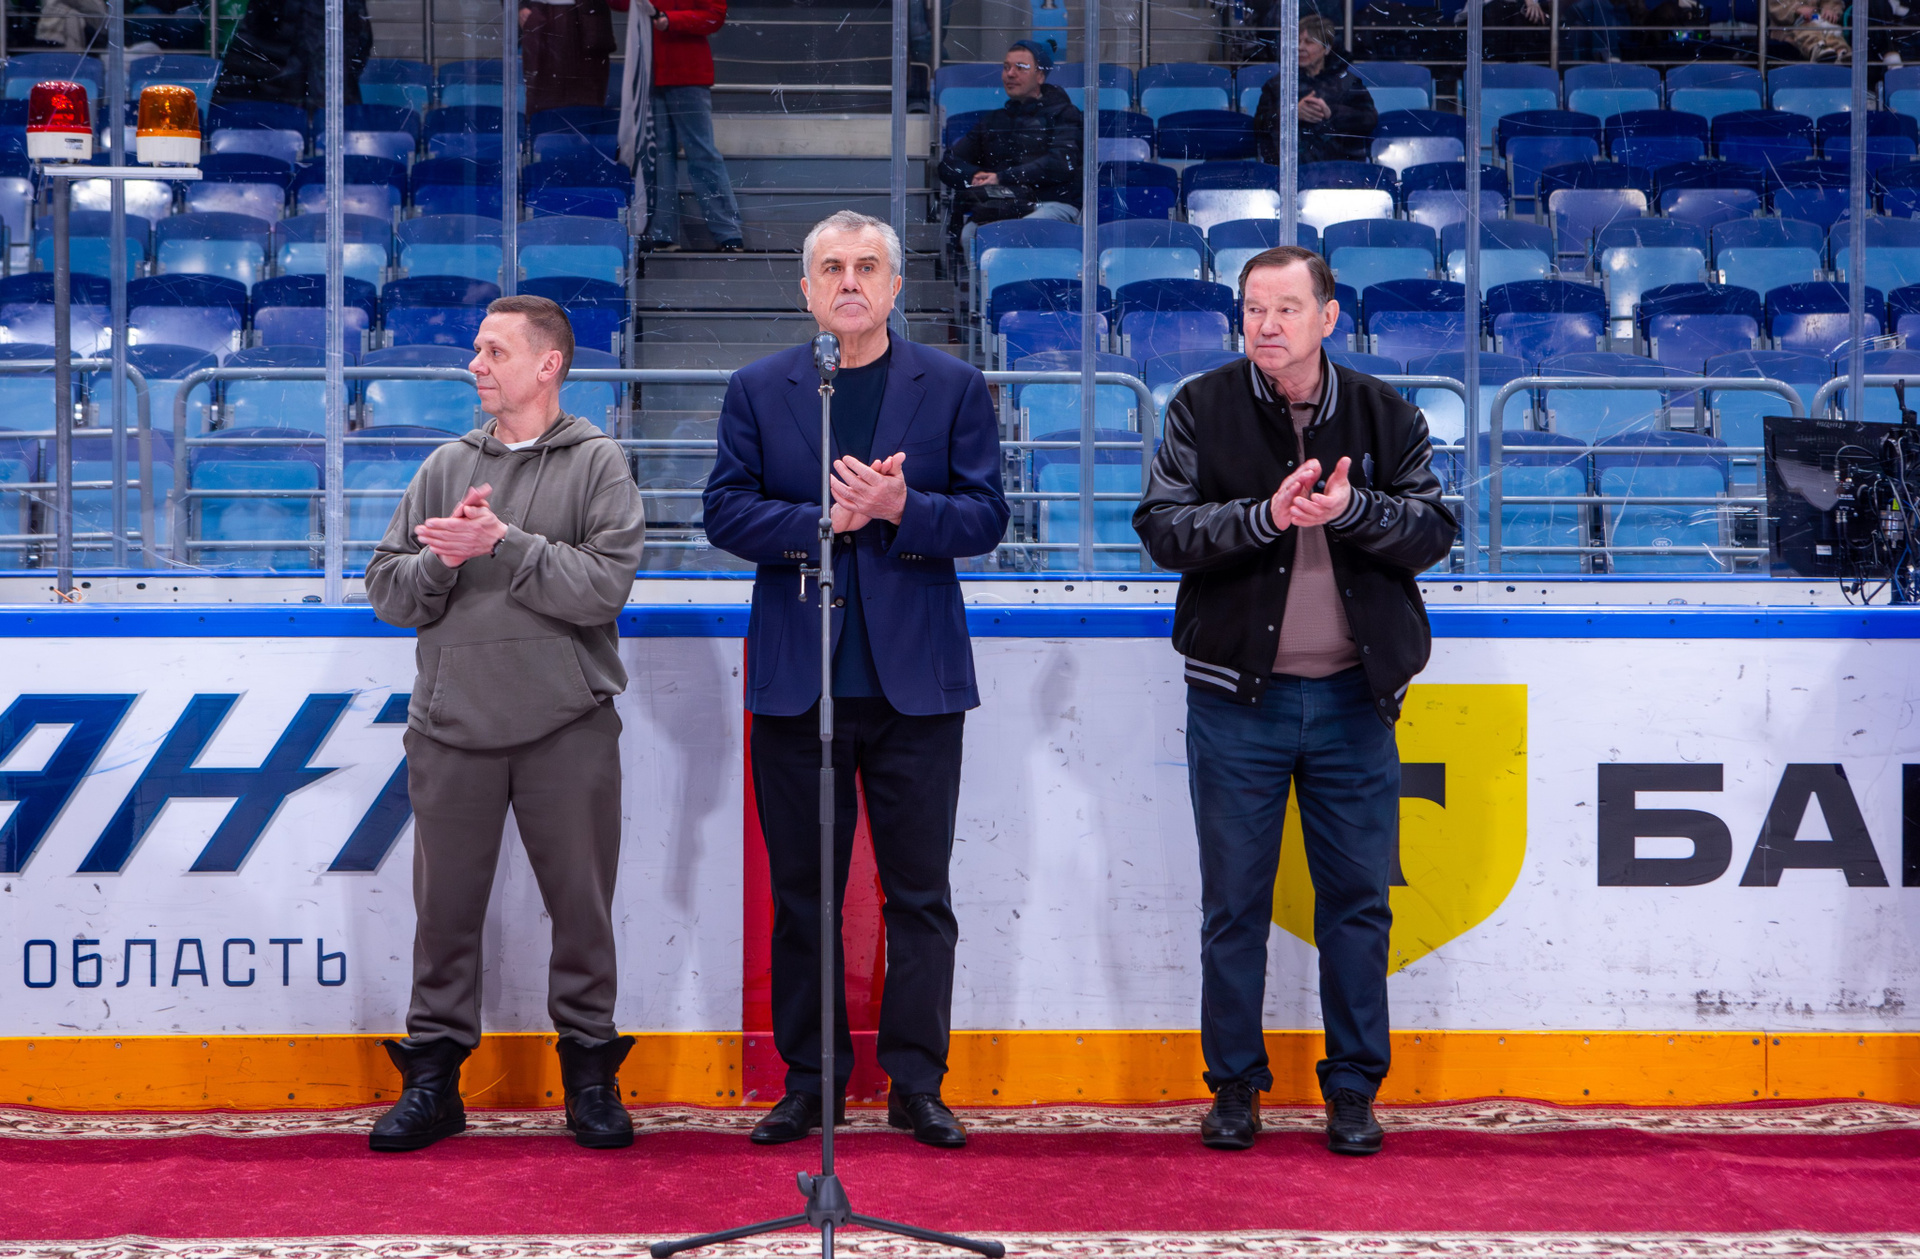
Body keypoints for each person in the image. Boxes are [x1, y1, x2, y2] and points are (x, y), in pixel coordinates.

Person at [1132, 246, 1456, 1156]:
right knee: (1233, 904)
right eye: (1252, 309)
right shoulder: (1200, 406)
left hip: (1357, 701)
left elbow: (1433, 529)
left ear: (1328, 316)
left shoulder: (1387, 412)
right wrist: (1265, 517)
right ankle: (1235, 1084)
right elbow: (1163, 528)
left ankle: (1352, 1088)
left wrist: (1353, 511)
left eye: (1285, 308)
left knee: (1358, 903)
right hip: (1237, 704)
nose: (1266, 325)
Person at [704, 210, 1009, 1150]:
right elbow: (724, 512)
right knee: (805, 898)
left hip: (918, 687)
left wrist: (902, 506)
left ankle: (918, 1083)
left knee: (919, 896)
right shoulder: (759, 388)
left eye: (867, 266)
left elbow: (987, 516)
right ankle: (813, 1083)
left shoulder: (953, 385)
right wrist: (822, 524)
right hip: (801, 686)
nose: (849, 281)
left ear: (894, 286)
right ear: (807, 290)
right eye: (832, 267)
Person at [363, 295, 648, 1153]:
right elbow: (387, 590)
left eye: (494, 351)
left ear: (547, 363)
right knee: (443, 914)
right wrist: (439, 562)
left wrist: (503, 543)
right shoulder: (446, 463)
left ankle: (590, 1079)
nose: (476, 365)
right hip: (450, 725)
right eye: (477, 350)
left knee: (582, 909)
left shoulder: (599, 463)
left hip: (569, 726)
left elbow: (604, 587)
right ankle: (433, 1082)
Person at [936, 39, 1083, 253]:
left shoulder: (1065, 114)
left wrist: (1001, 177)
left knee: (1020, 233)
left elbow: (1060, 164)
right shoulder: (994, 120)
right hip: (1007, 205)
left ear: (1040, 76)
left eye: (1020, 67)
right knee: (970, 235)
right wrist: (974, 175)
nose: (1010, 74)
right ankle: (981, 278)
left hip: (1052, 203)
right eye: (1006, 67)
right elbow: (949, 163)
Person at [640, 0, 745, 252]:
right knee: (664, 155)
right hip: (655, 72)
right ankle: (669, 232)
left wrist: (671, 20)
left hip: (682, 71)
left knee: (697, 152)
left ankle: (726, 232)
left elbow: (714, 16)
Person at [1252, 15, 1377, 166]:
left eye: (1309, 42)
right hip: (1288, 170)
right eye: (1297, 42)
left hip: (1339, 170)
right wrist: (1291, 113)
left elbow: (1369, 119)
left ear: (1327, 48)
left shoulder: (1348, 82)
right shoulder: (1278, 84)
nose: (1300, 48)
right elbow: (1258, 124)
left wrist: (1331, 113)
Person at [521, 0, 619, 114]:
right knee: (541, 103)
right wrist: (520, 8)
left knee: (586, 104)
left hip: (587, 18)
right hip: (538, 14)